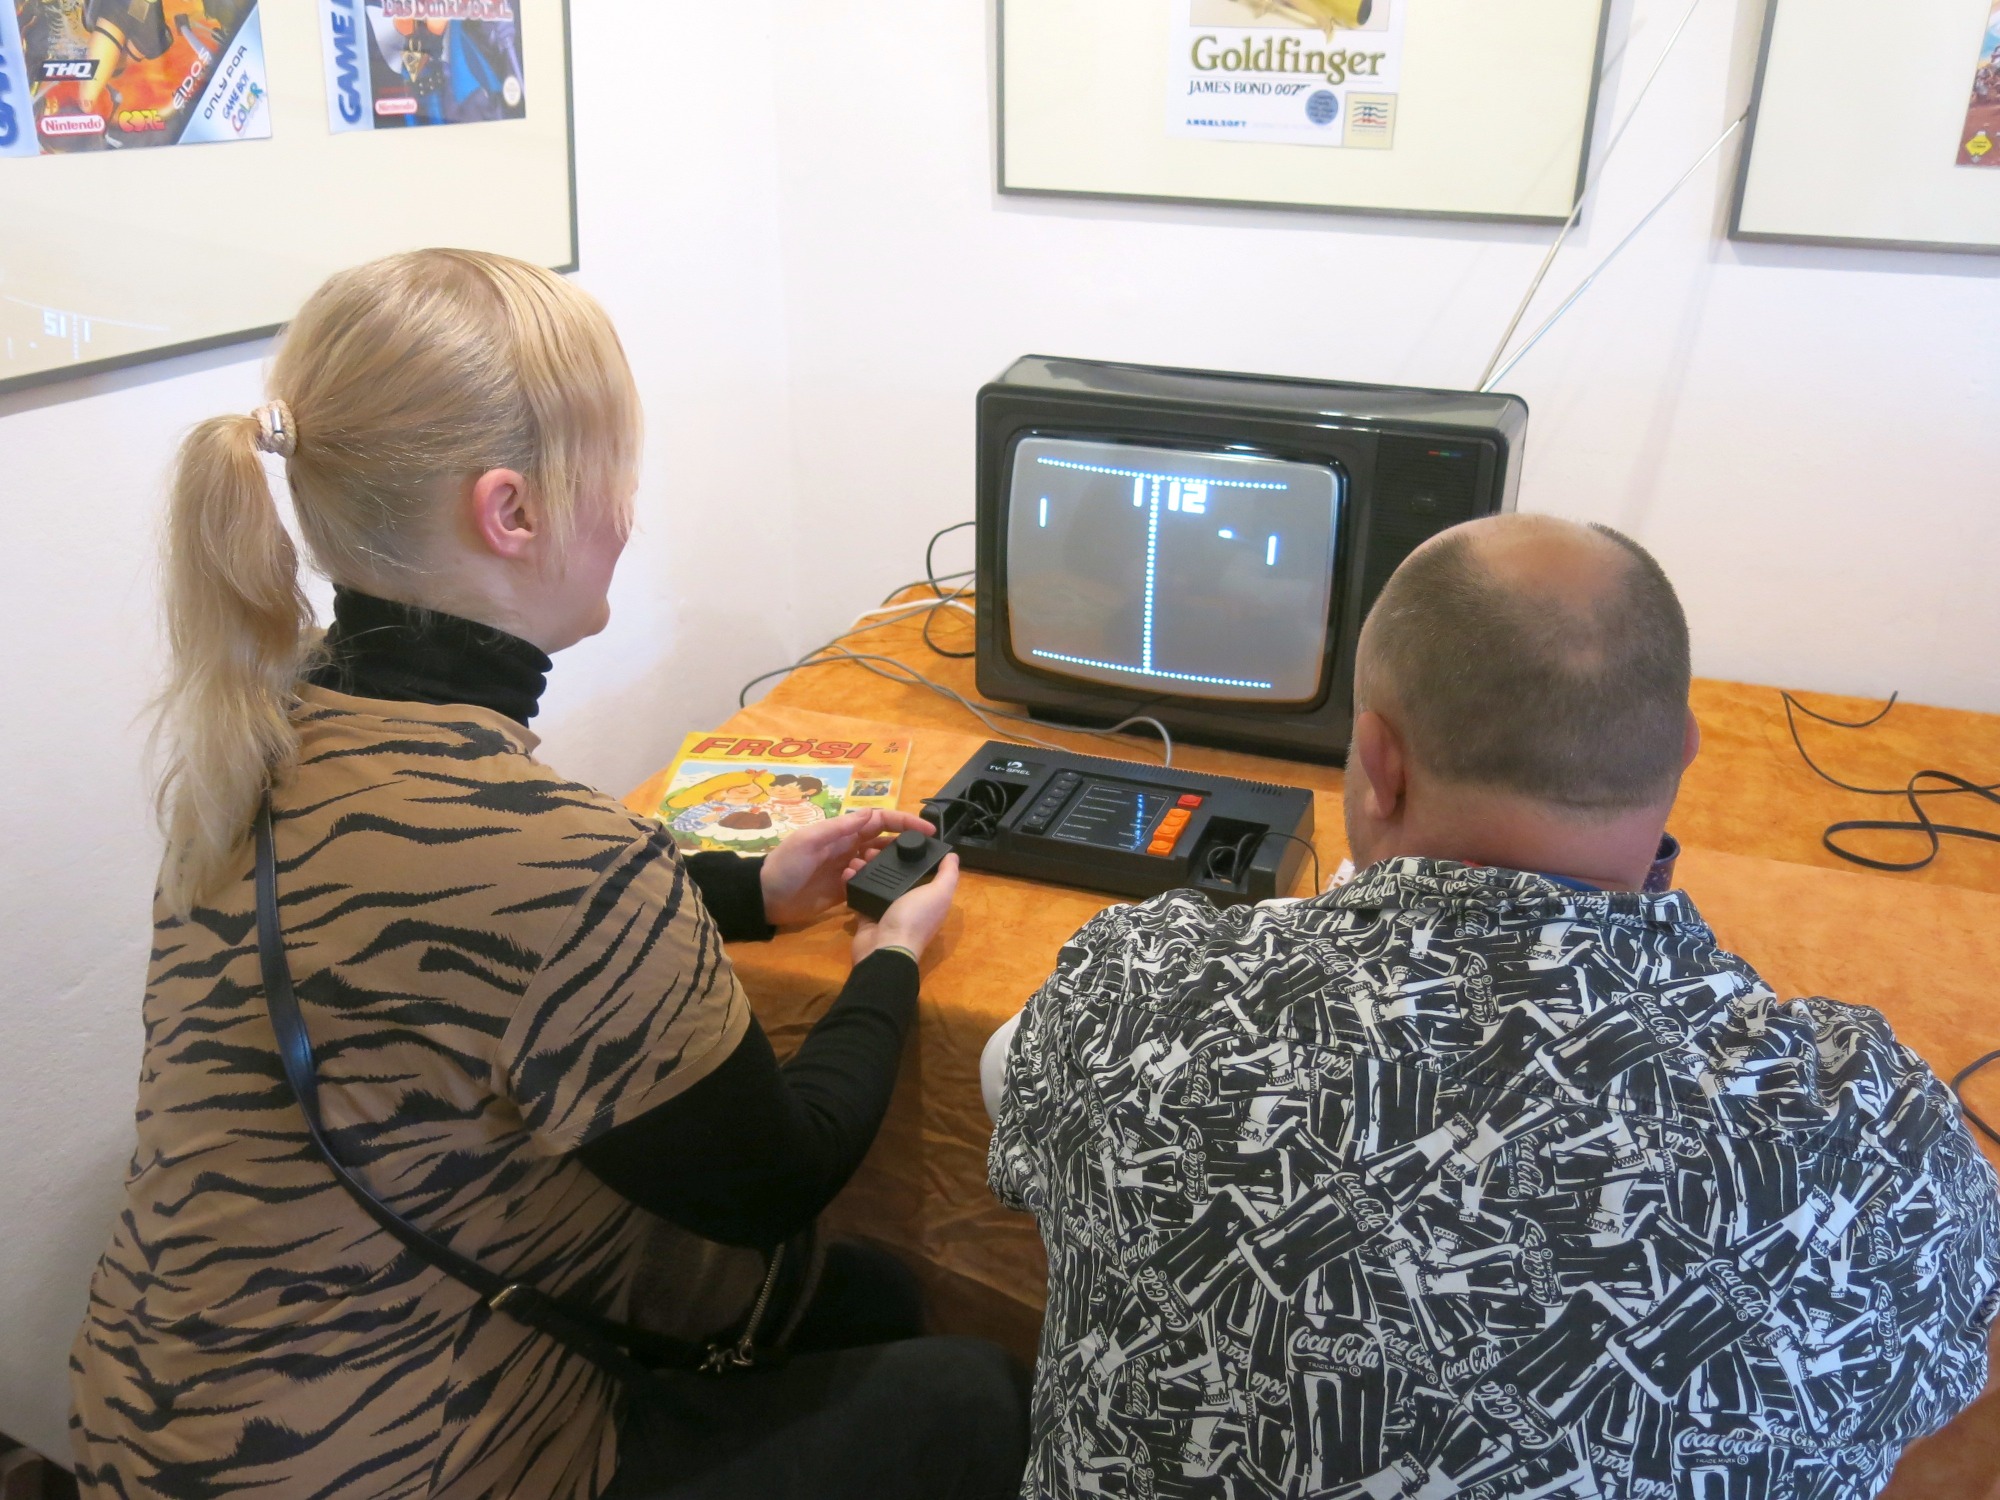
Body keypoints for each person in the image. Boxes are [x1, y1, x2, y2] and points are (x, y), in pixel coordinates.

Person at [69, 249, 1026, 1500]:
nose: (626, 514)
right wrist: (889, 956)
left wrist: (744, 894)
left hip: (149, 1435)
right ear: (511, 513)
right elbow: (775, 1181)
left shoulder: (252, 746)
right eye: (615, 473)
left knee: (855, 1300)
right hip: (395, 1462)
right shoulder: (564, 858)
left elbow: (460, 939)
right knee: (973, 1391)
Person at [987, 515, 2000, 1500]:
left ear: (1378, 762)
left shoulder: (1135, 993)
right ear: (1685, 749)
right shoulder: (1887, 1145)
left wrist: (1305, 943)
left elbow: (1008, 1077)